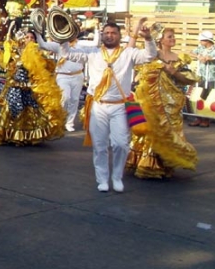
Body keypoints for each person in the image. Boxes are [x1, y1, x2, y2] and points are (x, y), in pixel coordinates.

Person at [59, 21, 157, 193]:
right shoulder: (92, 52)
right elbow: (67, 54)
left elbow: (150, 56)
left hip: (119, 106)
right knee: (100, 145)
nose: (109, 35)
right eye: (106, 32)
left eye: (113, 33)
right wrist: (63, 36)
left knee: (120, 144)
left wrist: (148, 38)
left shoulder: (129, 53)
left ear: (119, 36)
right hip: (98, 106)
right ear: (102, 35)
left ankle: (117, 177)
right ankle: (102, 179)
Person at [126, 26, 199, 179]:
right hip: (152, 100)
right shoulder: (152, 55)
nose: (173, 39)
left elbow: (188, 79)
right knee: (153, 129)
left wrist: (174, 72)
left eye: (173, 36)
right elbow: (140, 73)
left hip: (172, 102)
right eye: (169, 36)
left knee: (170, 131)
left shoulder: (179, 58)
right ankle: (148, 163)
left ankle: (165, 163)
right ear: (160, 40)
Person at [0, 30, 65, 146]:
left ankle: (26, 136)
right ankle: (11, 135)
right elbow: (6, 64)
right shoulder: (17, 52)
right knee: (14, 110)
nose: (29, 39)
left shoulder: (40, 54)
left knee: (31, 112)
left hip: (30, 88)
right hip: (15, 87)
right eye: (27, 37)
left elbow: (46, 70)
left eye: (32, 37)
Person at [36, 26, 100, 131]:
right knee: (65, 98)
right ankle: (61, 119)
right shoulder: (59, 45)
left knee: (74, 100)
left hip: (77, 75)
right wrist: (38, 33)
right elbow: (43, 45)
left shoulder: (81, 44)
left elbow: (96, 43)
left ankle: (69, 123)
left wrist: (97, 30)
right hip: (62, 76)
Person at [188, 31, 215, 127]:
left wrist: (212, 58)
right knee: (197, 97)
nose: (200, 41)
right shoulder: (200, 48)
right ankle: (198, 118)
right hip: (200, 76)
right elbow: (190, 52)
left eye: (201, 40)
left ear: (207, 40)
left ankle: (206, 120)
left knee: (207, 98)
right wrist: (198, 56)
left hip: (211, 78)